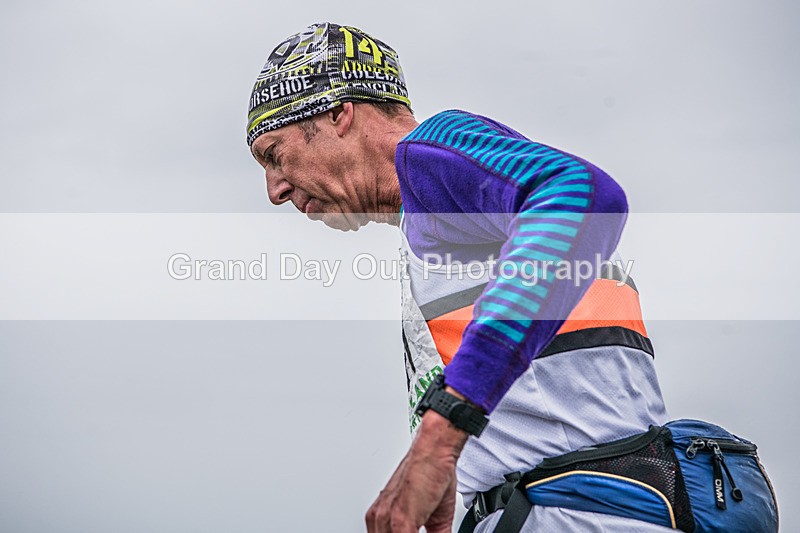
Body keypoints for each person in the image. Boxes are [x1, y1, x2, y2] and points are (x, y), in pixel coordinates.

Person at [246, 23, 674, 533]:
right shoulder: (444, 212)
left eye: (274, 154)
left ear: (339, 113)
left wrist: (442, 433)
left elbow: (586, 196)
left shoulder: (426, 158)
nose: (274, 189)